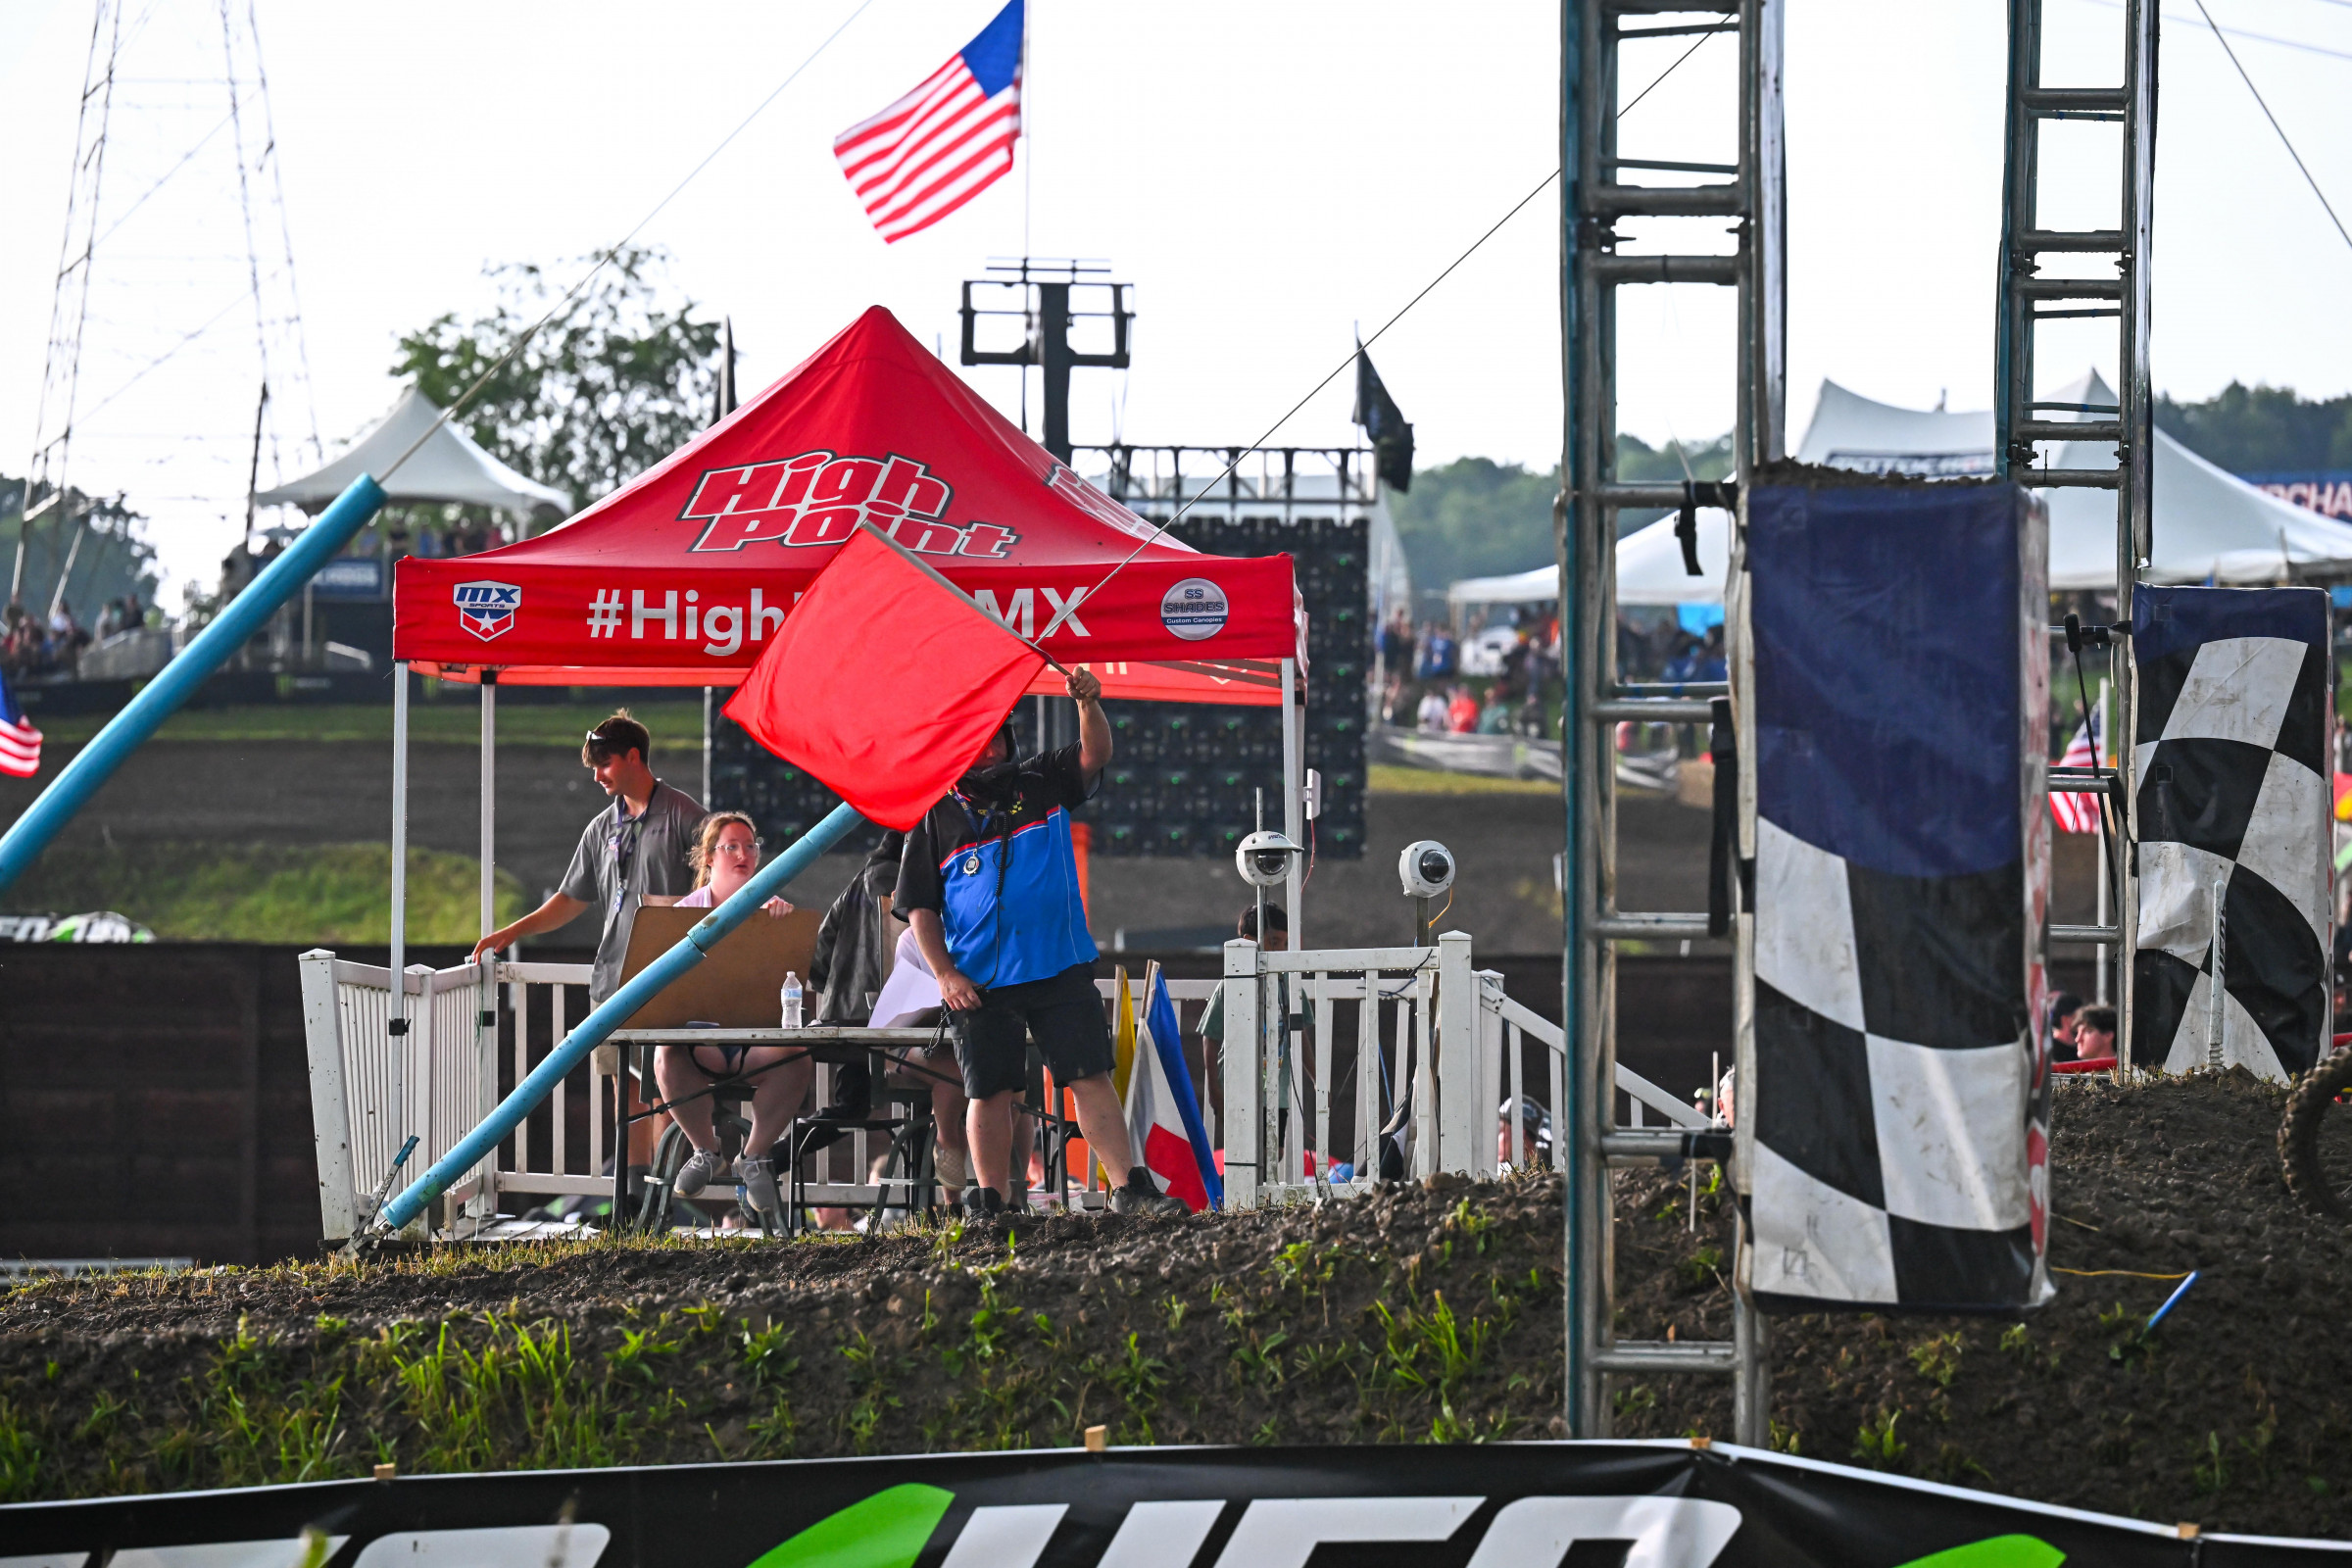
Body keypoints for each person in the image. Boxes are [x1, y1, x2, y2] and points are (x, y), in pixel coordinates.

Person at [897, 666, 1186, 1219]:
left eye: (996, 741)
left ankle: (1130, 1188)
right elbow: (920, 911)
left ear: (1010, 739)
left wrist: (1088, 704)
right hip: (977, 982)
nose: (988, 754)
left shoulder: (1042, 779)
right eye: (976, 746)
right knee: (990, 1090)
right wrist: (945, 974)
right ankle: (991, 1201)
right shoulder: (933, 816)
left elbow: (1094, 752)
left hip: (1058, 965)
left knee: (1089, 1075)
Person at [470, 711, 705, 1190]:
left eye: (604, 764)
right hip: (613, 978)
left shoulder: (687, 817)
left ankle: (666, 1191)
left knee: (667, 1083)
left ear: (633, 757)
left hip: (671, 978)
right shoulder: (602, 828)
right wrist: (509, 933)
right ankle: (633, 1193)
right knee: (627, 1088)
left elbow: (716, 890)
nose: (597, 775)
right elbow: (570, 899)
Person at [642, 811, 808, 1214]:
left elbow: (793, 981)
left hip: (755, 1044)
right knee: (666, 1050)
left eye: (750, 846)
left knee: (799, 1059)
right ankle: (705, 1149)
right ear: (709, 858)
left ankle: (753, 1156)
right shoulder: (683, 915)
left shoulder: (775, 911)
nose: (743, 854)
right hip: (701, 1043)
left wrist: (782, 932)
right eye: (730, 846)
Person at [2047, 991, 2083, 1061]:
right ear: (2065, 1019)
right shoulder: (2049, 1052)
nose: (2083, 1022)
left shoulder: (2082, 1051)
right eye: (2079, 1017)